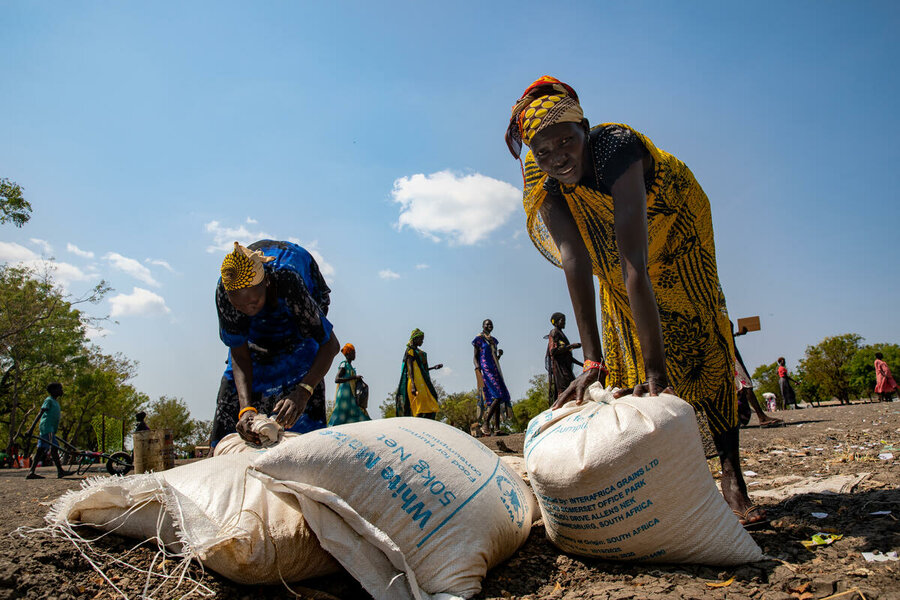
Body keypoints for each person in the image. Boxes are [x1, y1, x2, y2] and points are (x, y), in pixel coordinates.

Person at [505, 76, 764, 527]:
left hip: (676, 223)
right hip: (616, 251)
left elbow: (635, 266)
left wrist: (657, 371)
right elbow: (574, 257)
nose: (556, 157)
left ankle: (732, 474)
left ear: (584, 128)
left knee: (702, 333)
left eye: (566, 141)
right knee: (624, 325)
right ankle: (684, 475)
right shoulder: (540, 175)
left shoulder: (615, 146)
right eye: (542, 151)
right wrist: (592, 362)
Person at [211, 240, 340, 448]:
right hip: (255, 345)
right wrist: (246, 410)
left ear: (266, 283)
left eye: (253, 303)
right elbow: (239, 353)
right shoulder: (225, 290)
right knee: (227, 433)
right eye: (239, 305)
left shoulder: (288, 282)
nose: (246, 310)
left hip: (298, 337)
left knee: (304, 442)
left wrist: (302, 392)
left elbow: (330, 345)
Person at [732, 326, 781, 427]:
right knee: (744, 384)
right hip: (729, 355)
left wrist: (737, 334)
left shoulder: (719, 314)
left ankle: (740, 418)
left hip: (731, 353)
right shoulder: (714, 315)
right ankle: (761, 417)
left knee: (741, 386)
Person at [473, 319, 511, 436]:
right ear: (483, 326)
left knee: (499, 396)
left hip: (495, 370)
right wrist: (478, 369)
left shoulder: (493, 341)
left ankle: (497, 429)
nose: (489, 326)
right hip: (486, 370)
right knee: (498, 395)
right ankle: (486, 423)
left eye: (491, 324)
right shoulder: (479, 339)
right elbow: (475, 357)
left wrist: (499, 355)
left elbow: (494, 359)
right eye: (487, 324)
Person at [26, 383, 71, 479]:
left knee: (41, 450)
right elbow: (40, 413)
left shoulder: (55, 402)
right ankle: (60, 471)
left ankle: (31, 472)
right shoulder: (48, 400)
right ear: (54, 390)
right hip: (47, 427)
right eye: (60, 389)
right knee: (54, 447)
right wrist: (31, 429)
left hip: (50, 428)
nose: (61, 390)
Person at [395, 329, 443, 418]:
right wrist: (413, 385)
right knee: (419, 405)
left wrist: (434, 367)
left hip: (422, 382)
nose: (422, 341)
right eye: (421, 339)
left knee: (432, 398)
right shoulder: (410, 351)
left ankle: (425, 422)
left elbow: (422, 370)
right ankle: (417, 423)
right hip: (414, 382)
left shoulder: (419, 352)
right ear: (415, 339)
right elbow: (410, 369)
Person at [545, 312, 583, 405]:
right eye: (562, 321)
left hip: (565, 367)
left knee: (572, 388)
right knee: (565, 391)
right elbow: (553, 351)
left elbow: (567, 356)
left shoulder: (561, 333)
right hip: (560, 369)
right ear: (556, 322)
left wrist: (582, 364)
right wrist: (571, 346)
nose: (564, 323)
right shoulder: (554, 332)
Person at [328, 343, 371, 425]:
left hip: (351, 395)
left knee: (357, 413)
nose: (355, 355)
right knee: (340, 415)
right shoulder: (344, 365)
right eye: (353, 353)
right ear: (347, 354)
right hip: (344, 395)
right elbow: (337, 379)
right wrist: (354, 377)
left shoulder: (350, 367)